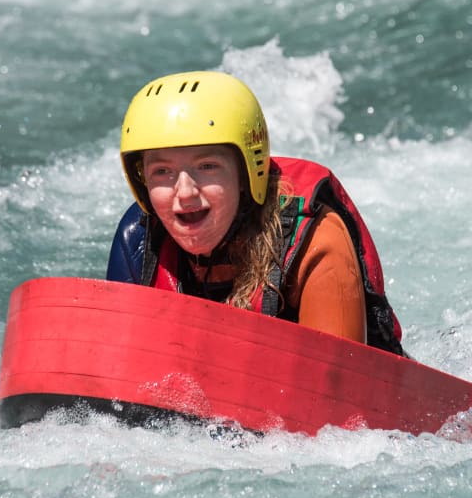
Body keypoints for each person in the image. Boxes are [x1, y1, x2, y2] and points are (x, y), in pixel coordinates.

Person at [107, 70, 405, 356]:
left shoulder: (316, 240)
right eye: (162, 171)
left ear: (247, 172)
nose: (184, 192)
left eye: (207, 166)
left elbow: (341, 394)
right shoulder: (139, 241)